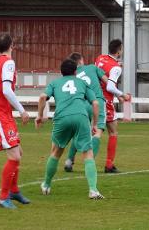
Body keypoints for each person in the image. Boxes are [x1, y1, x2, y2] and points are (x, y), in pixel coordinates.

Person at [36, 59, 104, 200]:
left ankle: (46, 185)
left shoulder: (55, 83)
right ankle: (93, 190)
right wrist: (94, 124)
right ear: (75, 71)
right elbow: (96, 103)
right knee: (88, 154)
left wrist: (39, 116)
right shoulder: (82, 83)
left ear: (61, 72)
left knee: (56, 152)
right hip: (81, 117)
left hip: (62, 118)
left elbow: (43, 97)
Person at [0, 33, 31, 209]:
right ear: (12, 45)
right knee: (14, 155)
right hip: (0, 115)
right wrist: (22, 110)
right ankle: (3, 197)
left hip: (0, 113)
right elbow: (6, 89)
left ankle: (14, 191)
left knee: (18, 152)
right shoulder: (8, 63)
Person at [64, 52, 110, 172]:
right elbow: (107, 82)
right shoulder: (92, 67)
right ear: (81, 60)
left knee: (78, 133)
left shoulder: (73, 75)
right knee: (97, 132)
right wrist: (119, 94)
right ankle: (90, 164)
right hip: (97, 101)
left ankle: (69, 161)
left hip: (82, 104)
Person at [95, 39, 132, 173]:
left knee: (89, 130)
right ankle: (109, 165)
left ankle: (70, 160)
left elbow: (101, 79)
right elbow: (110, 86)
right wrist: (124, 95)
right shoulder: (116, 67)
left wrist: (118, 96)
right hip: (105, 101)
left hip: (92, 98)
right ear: (119, 51)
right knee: (113, 132)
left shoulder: (100, 58)